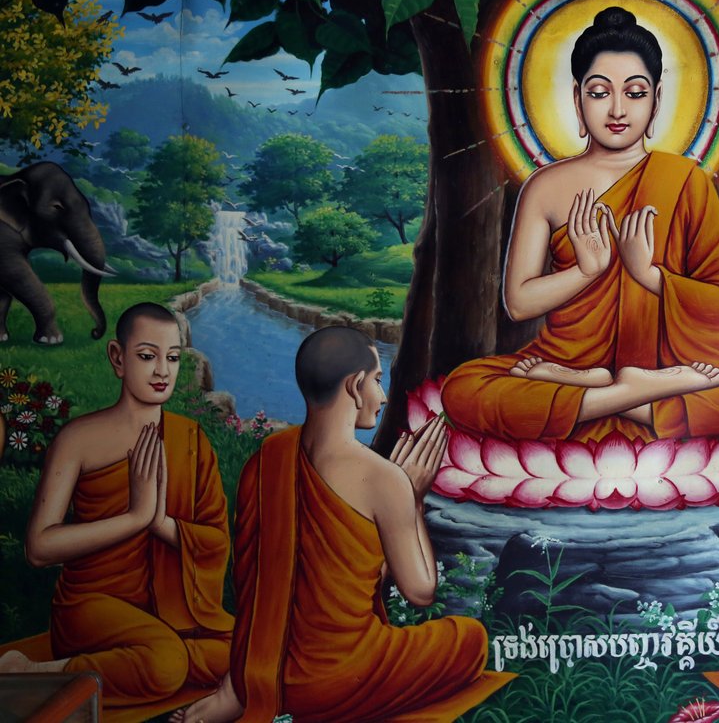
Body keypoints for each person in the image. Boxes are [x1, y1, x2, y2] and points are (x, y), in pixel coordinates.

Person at [442, 6, 719, 444]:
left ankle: (606, 395)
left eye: (636, 92)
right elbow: (519, 302)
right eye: (599, 92)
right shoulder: (545, 186)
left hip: (664, 362)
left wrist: (649, 275)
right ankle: (631, 395)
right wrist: (586, 271)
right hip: (567, 359)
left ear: (657, 100)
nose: (618, 109)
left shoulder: (687, 181)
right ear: (577, 98)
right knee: (462, 390)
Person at [176, 327, 493, 723]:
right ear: (355, 386)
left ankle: (235, 691)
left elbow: (258, 589)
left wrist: (238, 684)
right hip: (346, 678)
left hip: (269, 674)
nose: (382, 396)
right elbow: (421, 591)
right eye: (377, 380)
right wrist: (412, 499)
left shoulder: (265, 460)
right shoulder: (384, 478)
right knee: (470, 638)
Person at [0, 303, 234, 714]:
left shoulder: (191, 440)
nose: (162, 371)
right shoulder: (79, 439)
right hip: (91, 607)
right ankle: (36, 672)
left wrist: (160, 523)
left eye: (172, 358)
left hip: (168, 610)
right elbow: (38, 547)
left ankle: (145, 661)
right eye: (146, 356)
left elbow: (216, 541)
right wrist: (134, 519)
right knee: (166, 662)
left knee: (245, 648)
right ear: (117, 357)